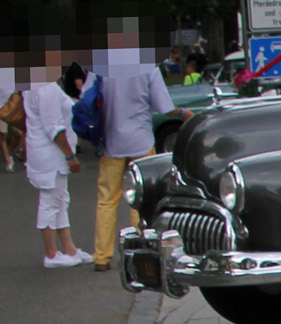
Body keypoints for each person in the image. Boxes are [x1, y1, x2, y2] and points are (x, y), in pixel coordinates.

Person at [91, 22, 176, 271]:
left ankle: (101, 256)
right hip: (141, 141)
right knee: (142, 197)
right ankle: (142, 247)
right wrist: (183, 113)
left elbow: (88, 100)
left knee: (107, 199)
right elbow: (163, 105)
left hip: (111, 142)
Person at [25, 62, 88, 266]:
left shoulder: (38, 85)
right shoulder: (46, 88)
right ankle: (51, 253)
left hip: (45, 152)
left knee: (60, 199)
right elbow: (54, 127)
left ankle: (69, 248)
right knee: (51, 201)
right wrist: (70, 155)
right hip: (51, 154)